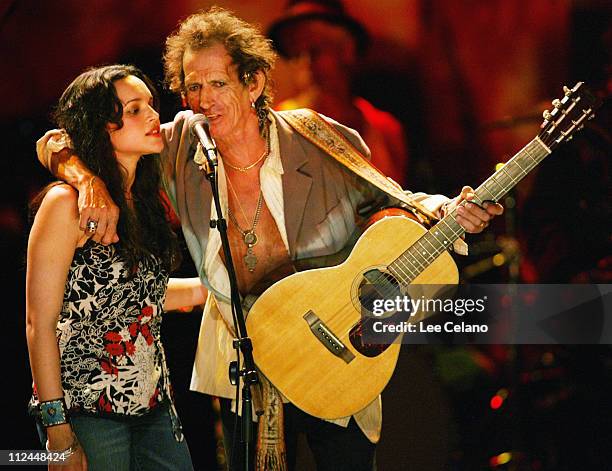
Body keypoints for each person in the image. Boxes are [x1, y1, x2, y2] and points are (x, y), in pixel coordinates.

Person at [36, 8, 502, 470]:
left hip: (332, 348)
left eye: (217, 84)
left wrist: (445, 208)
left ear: (254, 83)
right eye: (192, 86)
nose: (202, 100)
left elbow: (396, 197)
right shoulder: (176, 144)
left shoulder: (318, 139)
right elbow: (58, 139)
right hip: (246, 363)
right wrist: (86, 180)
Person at [27, 64, 207, 470]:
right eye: (133, 109)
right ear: (99, 125)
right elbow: (40, 320)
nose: (151, 116)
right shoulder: (65, 203)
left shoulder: (141, 199)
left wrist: (213, 289)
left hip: (154, 405)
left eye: (150, 104)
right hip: (88, 409)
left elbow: (137, 297)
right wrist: (57, 429)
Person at [268, 0, 410, 186]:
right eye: (296, 53)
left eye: (315, 50)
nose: (306, 63)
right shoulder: (277, 126)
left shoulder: (384, 128)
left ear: (347, 50)